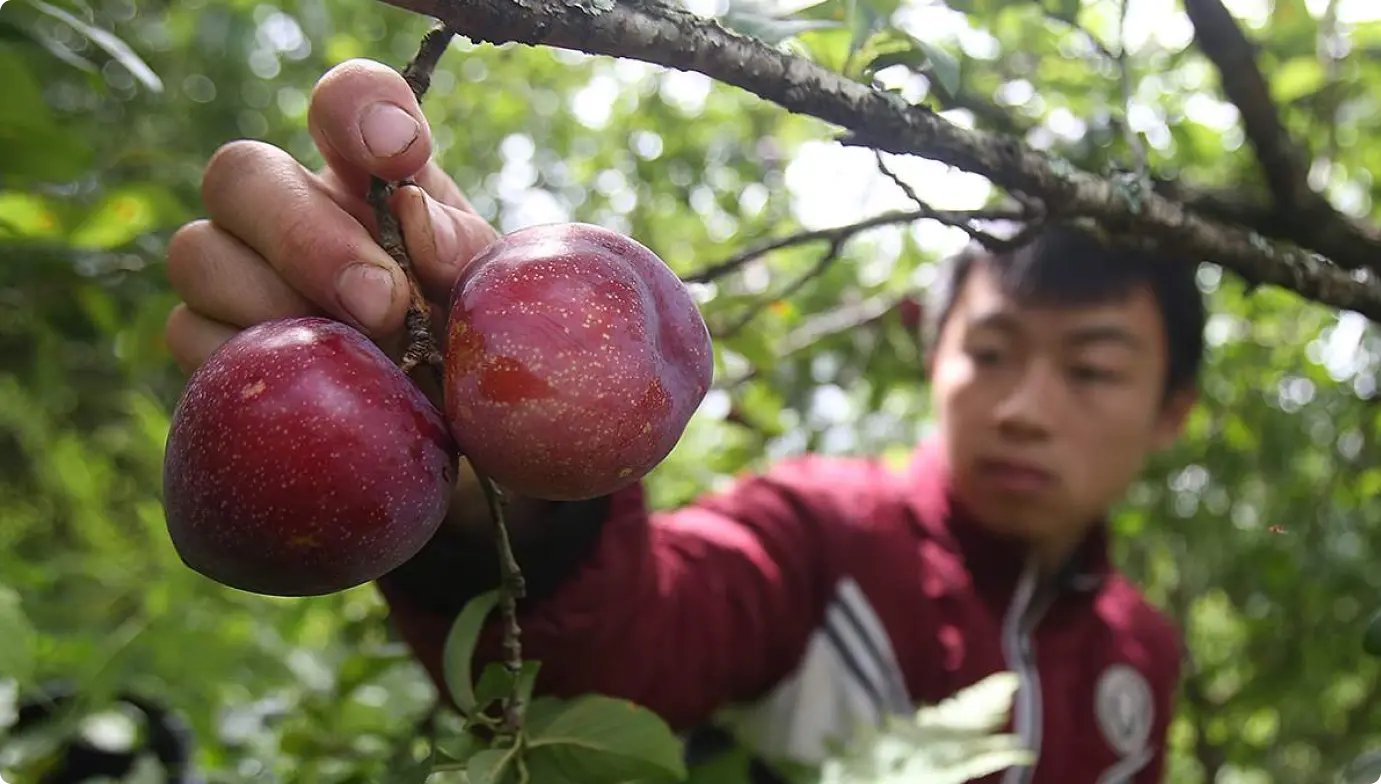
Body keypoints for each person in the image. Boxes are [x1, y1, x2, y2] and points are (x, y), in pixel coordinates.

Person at [164, 58, 1205, 784]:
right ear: (932, 353)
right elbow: (628, 653)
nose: (1024, 406)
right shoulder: (818, 538)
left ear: (1172, 414)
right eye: (990, 352)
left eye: (1091, 369)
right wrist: (500, 505)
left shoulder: (1140, 657)